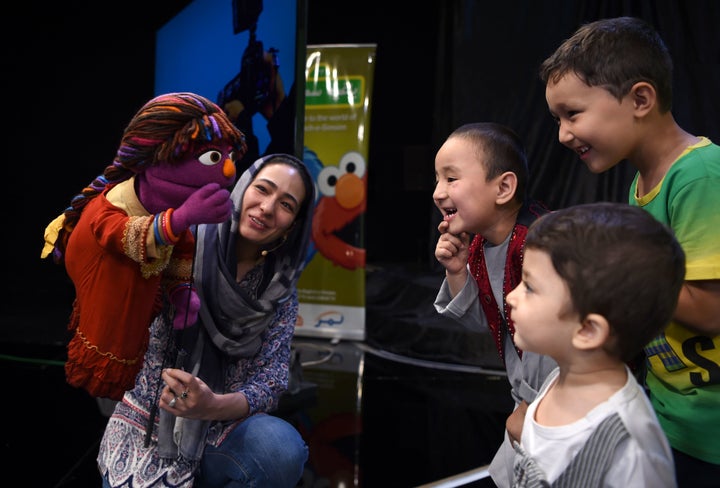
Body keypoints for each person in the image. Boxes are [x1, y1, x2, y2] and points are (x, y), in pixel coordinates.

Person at [540, 16, 720, 485]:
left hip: (710, 435)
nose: (562, 134)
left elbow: (710, 310)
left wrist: (608, 272)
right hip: (669, 418)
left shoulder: (699, 175)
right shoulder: (640, 184)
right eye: (556, 119)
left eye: (573, 114)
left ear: (640, 98)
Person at [97, 153, 316, 487]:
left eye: (286, 204)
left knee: (279, 450)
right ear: (242, 186)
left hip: (222, 428)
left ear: (293, 224)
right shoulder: (183, 243)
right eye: (262, 189)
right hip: (149, 423)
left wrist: (212, 405)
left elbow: (270, 381)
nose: (268, 208)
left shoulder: (279, 287)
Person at [507, 202, 684, 486]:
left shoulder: (628, 449)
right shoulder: (556, 380)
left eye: (529, 287)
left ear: (588, 330)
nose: (511, 297)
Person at [432, 122, 556, 486]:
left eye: (451, 179)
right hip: (529, 409)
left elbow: (557, 341)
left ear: (503, 187)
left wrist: (535, 409)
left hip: (554, 409)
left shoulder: (541, 242)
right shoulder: (479, 246)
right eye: (437, 180)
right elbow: (487, 321)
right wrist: (457, 272)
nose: (439, 192)